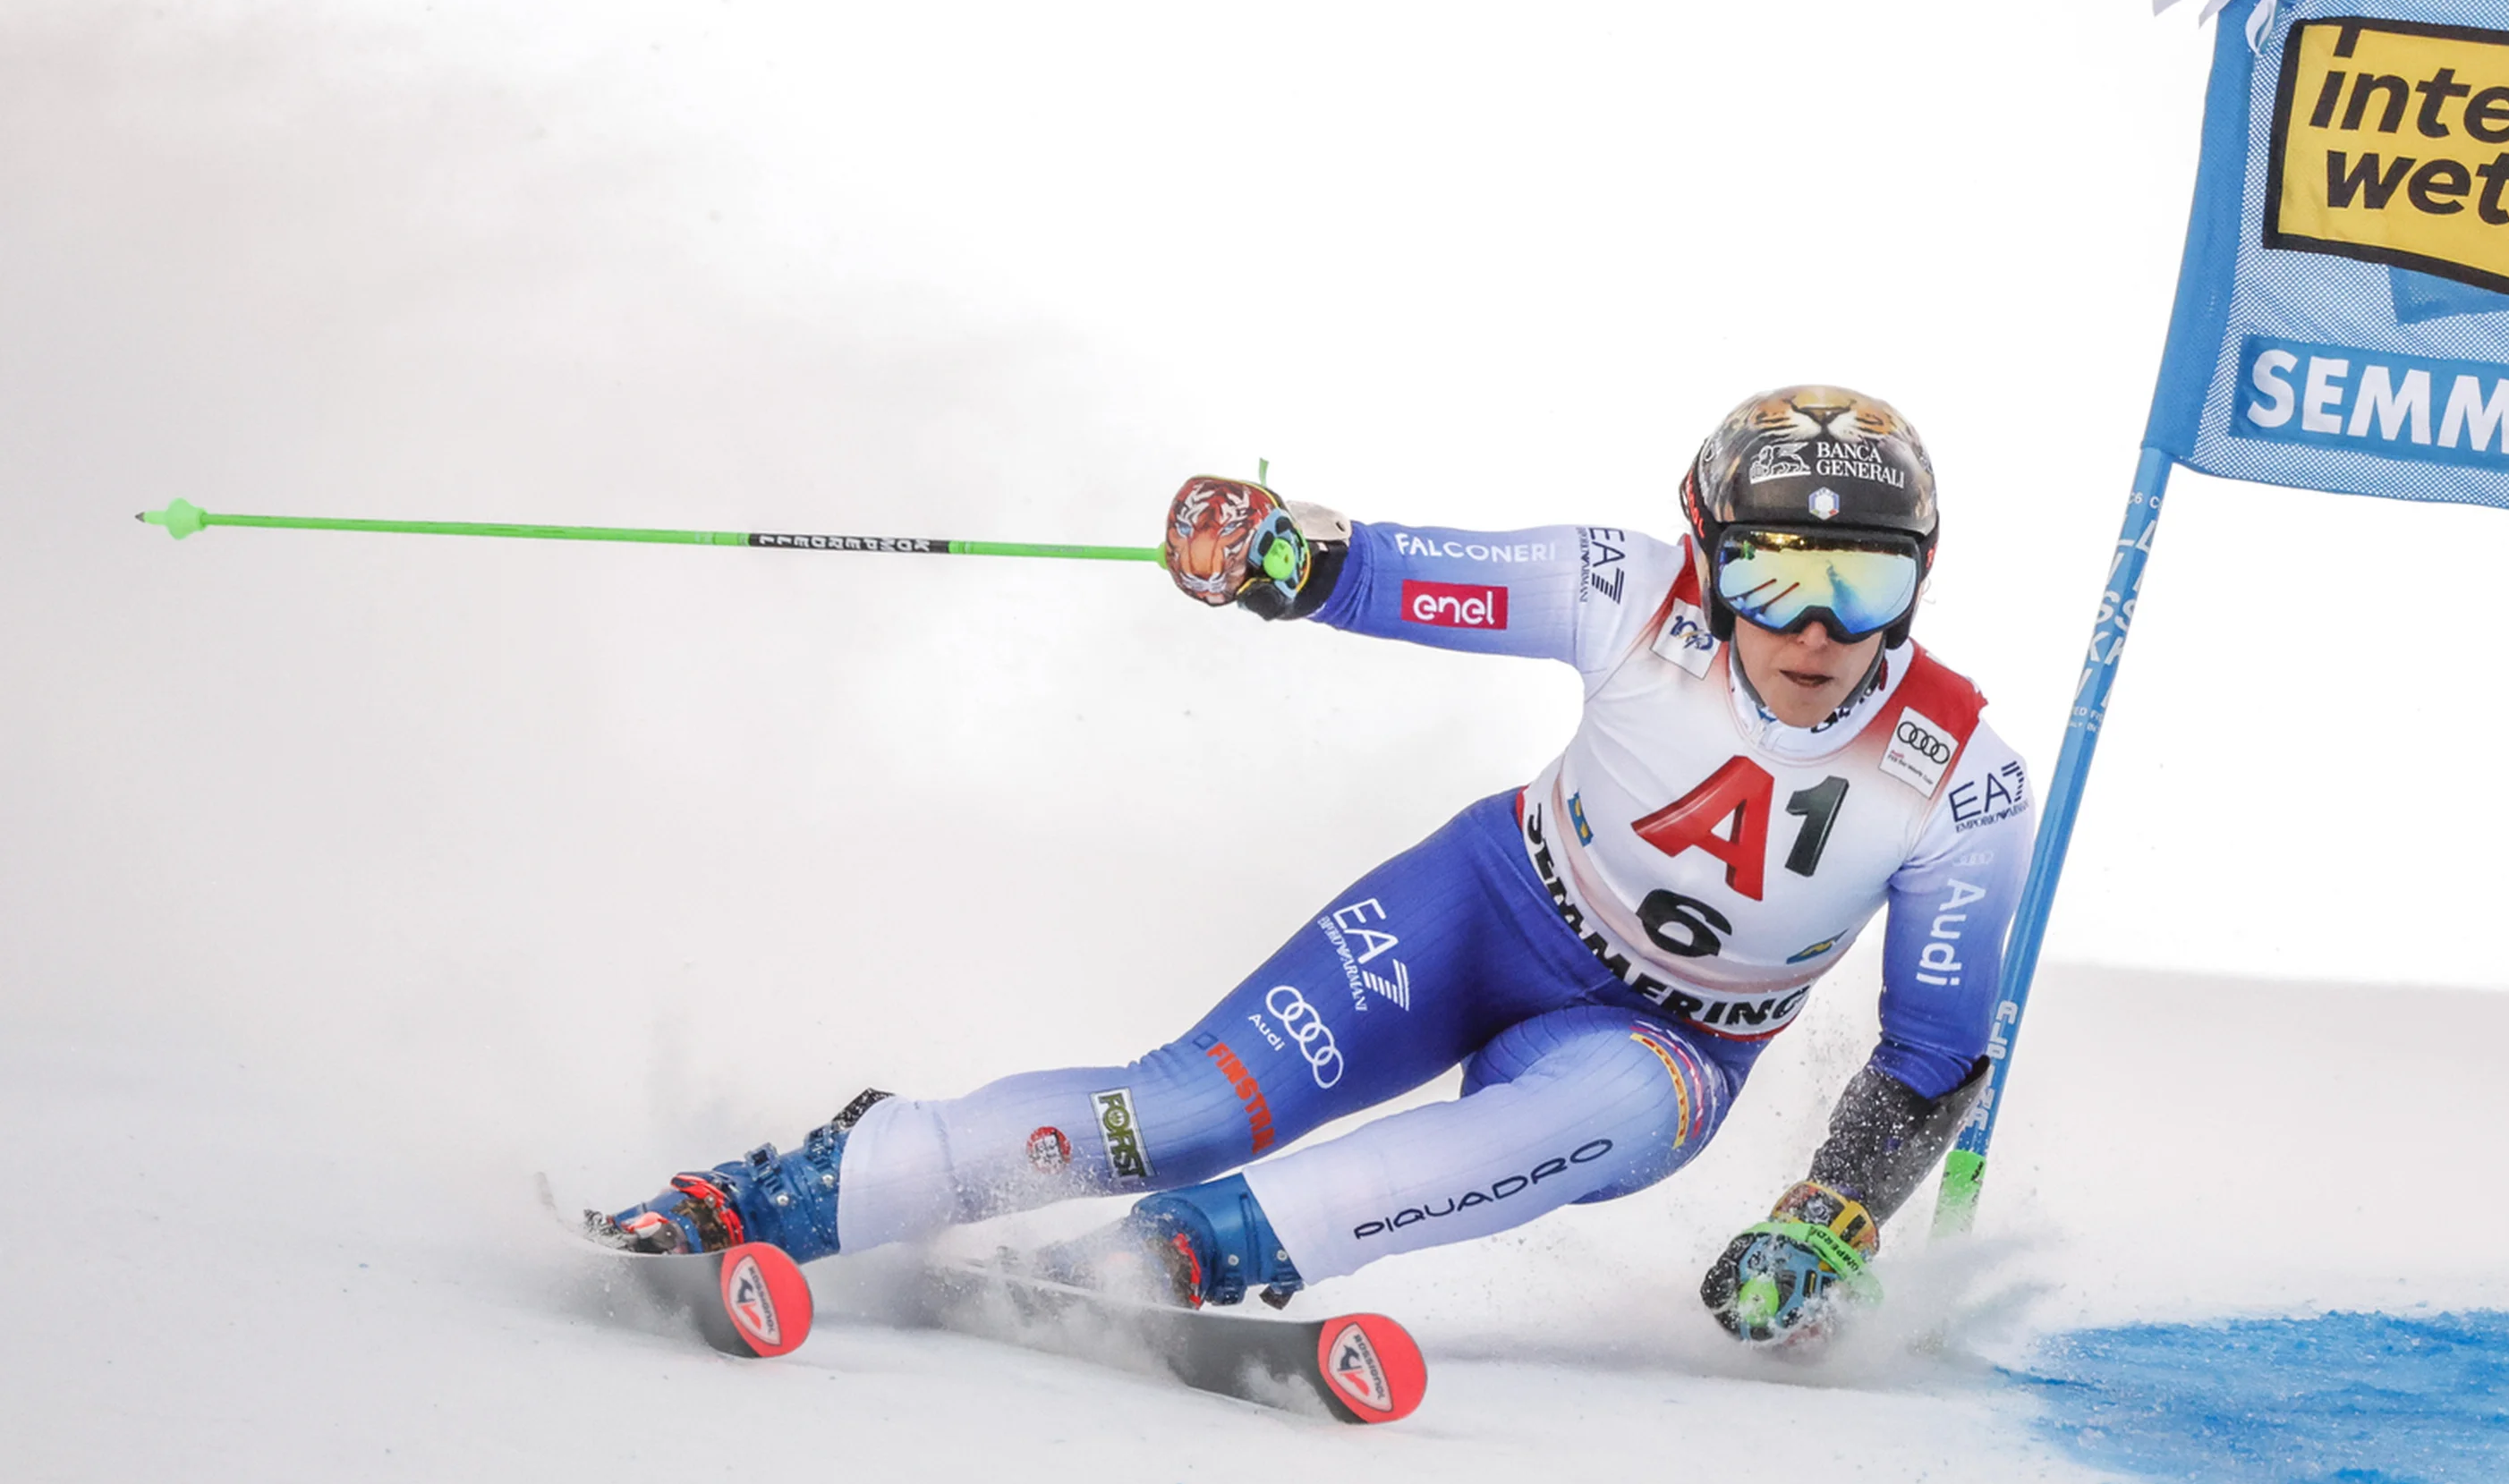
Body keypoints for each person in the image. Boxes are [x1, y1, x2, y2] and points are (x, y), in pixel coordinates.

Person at [595, 386, 2036, 1344]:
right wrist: (1283, 553)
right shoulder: (1624, 589)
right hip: (1487, 909)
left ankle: (1188, 1252)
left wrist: (1829, 1222)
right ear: (1705, 554)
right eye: (1772, 575)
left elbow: (1932, 1052)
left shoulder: (1963, 781)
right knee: (1192, 1106)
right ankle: (797, 1192)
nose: (1817, 630)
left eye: (1866, 583)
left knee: (1601, 1104)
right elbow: (1407, 571)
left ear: (1922, 577)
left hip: (1669, 1044)